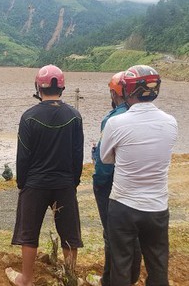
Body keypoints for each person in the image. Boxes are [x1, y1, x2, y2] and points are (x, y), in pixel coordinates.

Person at [6, 65, 84, 286]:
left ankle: (26, 278)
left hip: (35, 183)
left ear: (38, 87)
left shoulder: (29, 117)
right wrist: (73, 182)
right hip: (64, 183)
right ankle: (70, 277)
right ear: (62, 87)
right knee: (69, 233)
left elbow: (23, 156)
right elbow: (77, 154)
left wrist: (22, 183)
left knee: (29, 233)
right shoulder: (74, 116)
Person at [100, 65, 177, 286]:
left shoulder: (116, 123)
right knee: (158, 265)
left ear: (128, 90)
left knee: (121, 266)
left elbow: (105, 158)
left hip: (123, 205)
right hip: (157, 206)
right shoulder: (170, 122)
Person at [92, 72, 141, 286]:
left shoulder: (112, 119)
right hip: (137, 183)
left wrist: (98, 181)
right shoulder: (145, 117)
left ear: (114, 92)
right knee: (134, 233)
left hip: (113, 183)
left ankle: (110, 280)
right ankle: (128, 277)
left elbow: (104, 163)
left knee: (111, 233)